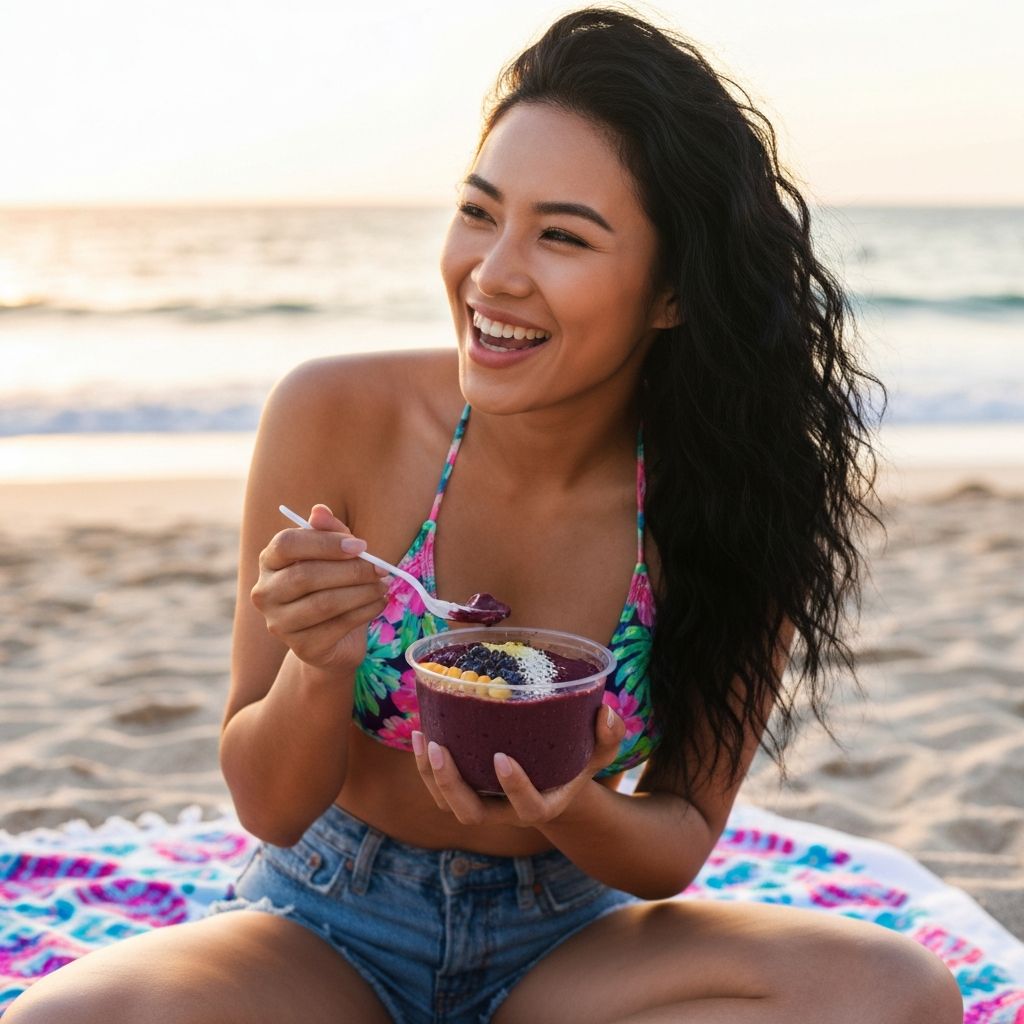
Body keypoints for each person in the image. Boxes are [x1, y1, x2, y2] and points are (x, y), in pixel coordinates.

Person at [6, 8, 963, 1023]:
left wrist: (572, 803)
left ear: (671, 292)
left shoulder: (735, 498)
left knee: (897, 992)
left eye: (562, 236)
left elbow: (677, 838)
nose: (493, 273)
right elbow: (267, 805)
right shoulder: (336, 413)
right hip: (325, 923)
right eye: (478, 212)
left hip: (567, 941)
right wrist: (319, 664)